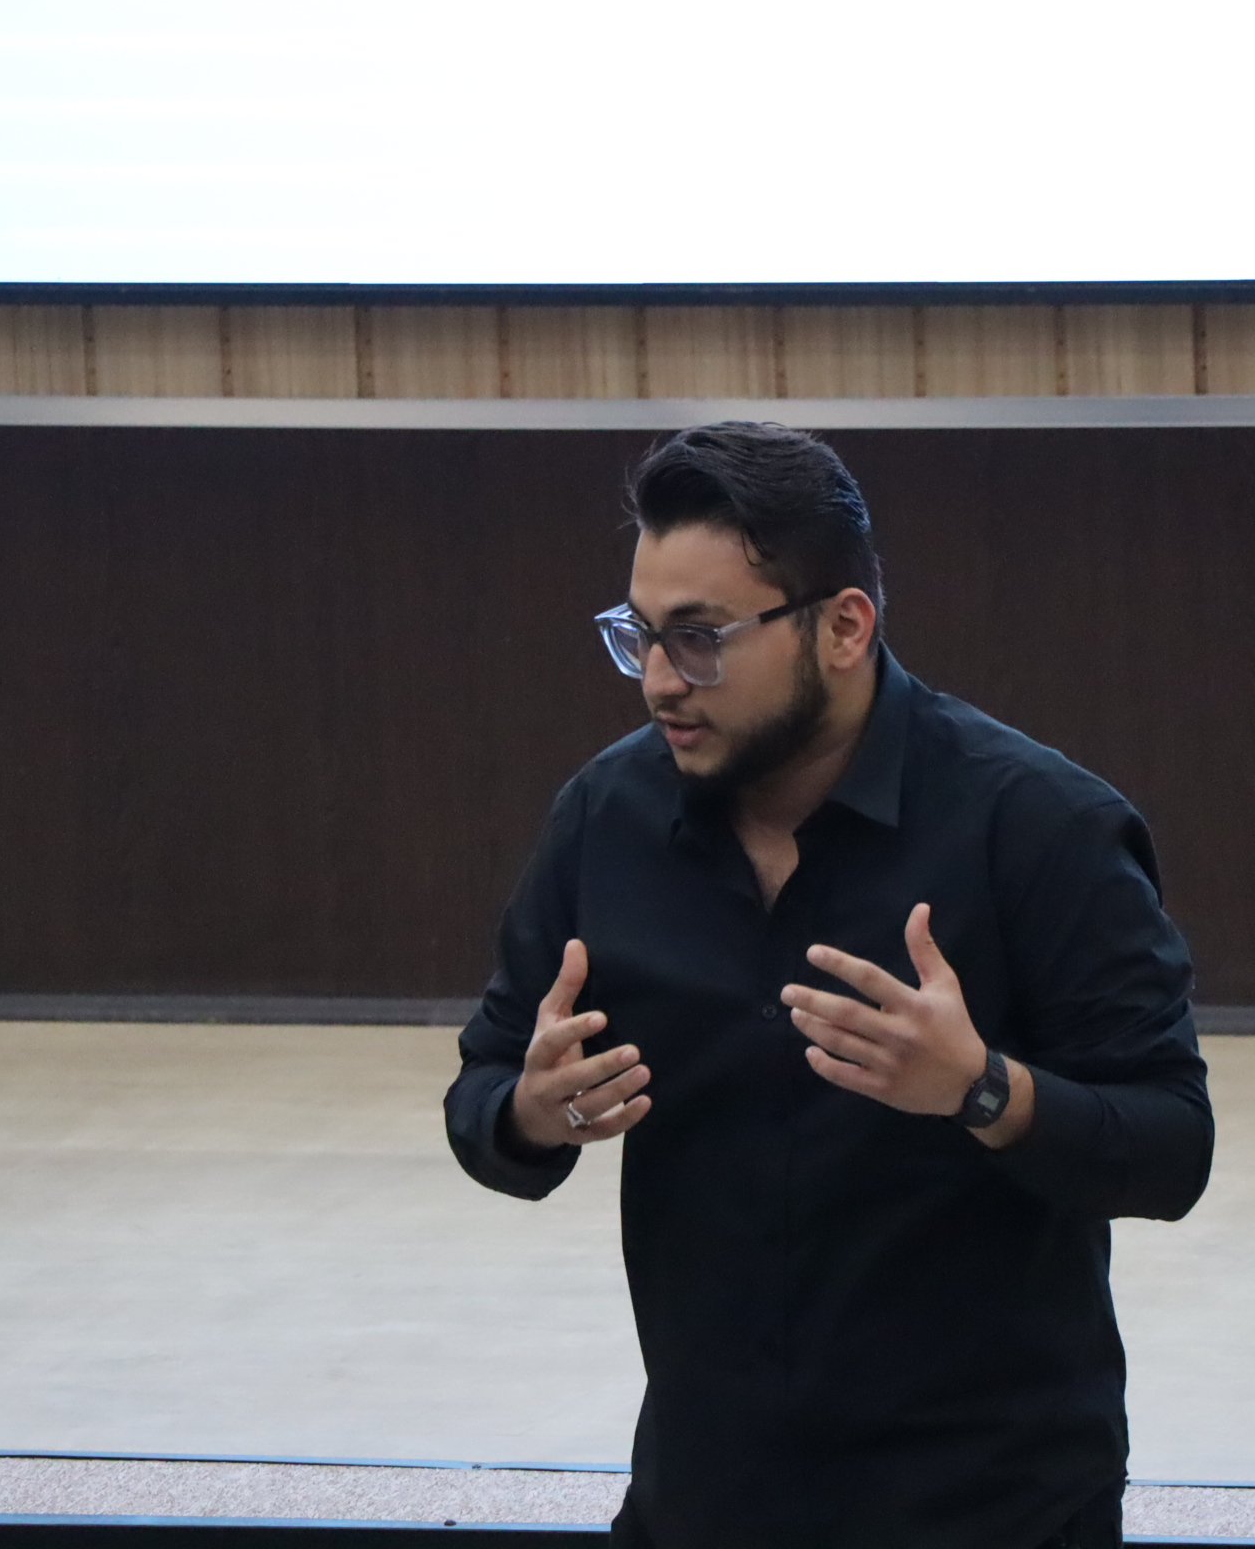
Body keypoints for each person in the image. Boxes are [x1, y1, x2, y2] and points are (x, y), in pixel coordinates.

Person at [444, 421, 1213, 1549]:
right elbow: (483, 1089)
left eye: (700, 639)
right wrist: (528, 1111)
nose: (659, 682)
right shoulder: (606, 819)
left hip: (986, 1507)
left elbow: (1172, 1146)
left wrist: (982, 1089)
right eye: (639, 636)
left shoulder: (1040, 827)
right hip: (704, 1498)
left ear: (844, 625)